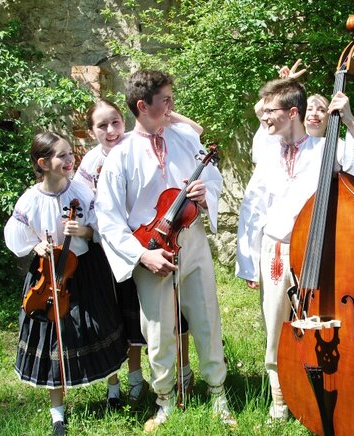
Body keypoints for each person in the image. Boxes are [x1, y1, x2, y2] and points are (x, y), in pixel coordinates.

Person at [235, 78, 354, 421]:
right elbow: (252, 207)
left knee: (318, 326)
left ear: (292, 113)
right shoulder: (267, 151)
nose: (264, 117)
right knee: (276, 328)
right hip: (275, 251)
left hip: (317, 252)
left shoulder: (326, 149)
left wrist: (349, 122)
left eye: (270, 110)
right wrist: (248, 263)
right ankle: (280, 399)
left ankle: (319, 390)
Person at [94, 70, 234, 431]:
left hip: (193, 240)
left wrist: (206, 194)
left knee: (206, 316)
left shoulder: (184, 138)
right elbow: (108, 218)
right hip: (152, 250)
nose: (172, 107)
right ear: (143, 106)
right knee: (157, 330)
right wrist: (143, 256)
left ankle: (218, 393)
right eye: (166, 101)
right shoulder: (120, 155)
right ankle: (165, 400)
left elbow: (213, 178)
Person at [73, 100, 202, 408]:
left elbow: (196, 131)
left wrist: (166, 111)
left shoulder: (138, 142)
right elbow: (86, 205)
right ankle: (133, 378)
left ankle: (182, 372)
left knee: (170, 314)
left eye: (115, 122)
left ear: (125, 120)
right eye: (102, 126)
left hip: (153, 243)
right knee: (126, 318)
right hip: (113, 249)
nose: (110, 130)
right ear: (91, 132)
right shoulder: (90, 163)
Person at [4, 132, 129, 435]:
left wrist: (84, 230)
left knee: (98, 326)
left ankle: (113, 390)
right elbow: (16, 236)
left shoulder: (82, 191)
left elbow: (103, 227)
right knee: (51, 341)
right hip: (49, 276)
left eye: (70, 154)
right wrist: (35, 246)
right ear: (42, 163)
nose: (70, 160)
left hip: (85, 271)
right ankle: (57, 412)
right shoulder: (31, 198)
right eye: (62, 156)